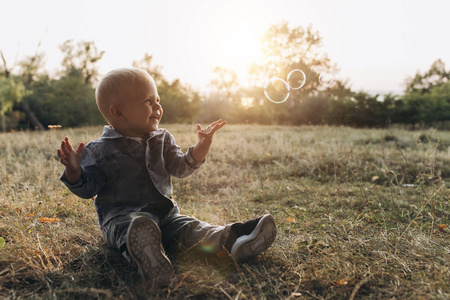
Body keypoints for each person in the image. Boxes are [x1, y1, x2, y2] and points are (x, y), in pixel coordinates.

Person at [57, 67, 277, 287]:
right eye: (148, 101)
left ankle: (230, 239)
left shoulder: (162, 139)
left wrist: (201, 146)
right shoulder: (98, 150)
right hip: (122, 219)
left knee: (190, 228)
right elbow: (87, 189)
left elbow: (181, 167)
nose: (158, 107)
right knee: (137, 225)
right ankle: (151, 262)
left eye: (158, 100)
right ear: (118, 112)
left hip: (166, 216)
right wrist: (75, 172)